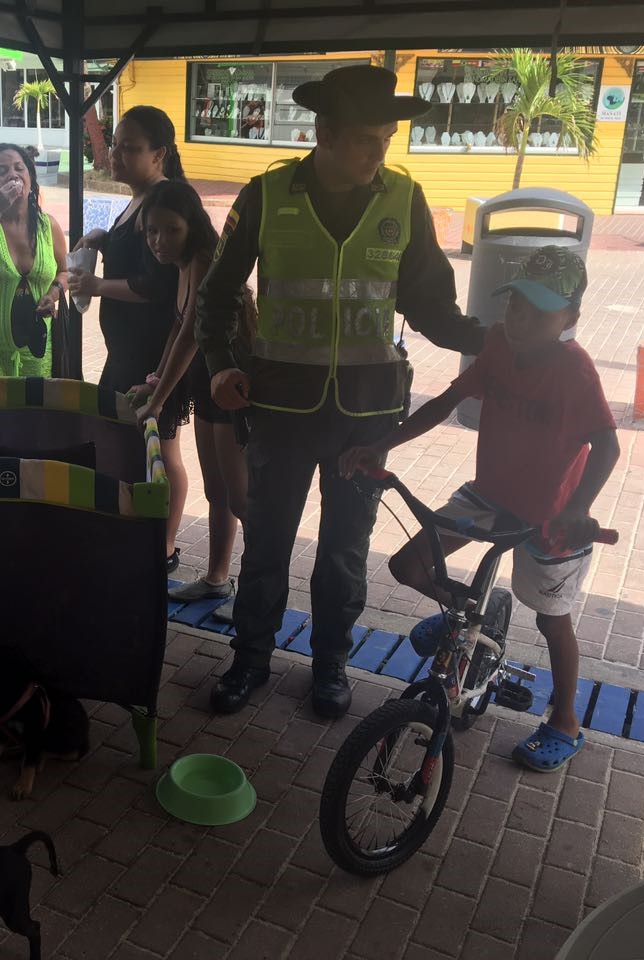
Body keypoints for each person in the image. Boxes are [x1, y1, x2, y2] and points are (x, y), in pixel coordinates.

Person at [195, 64, 486, 719]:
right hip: (280, 409)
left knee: (344, 553)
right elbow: (215, 295)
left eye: (386, 138)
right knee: (267, 543)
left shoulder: (402, 199)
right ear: (324, 132)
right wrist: (218, 364)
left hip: (368, 418)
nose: (379, 153)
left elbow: (429, 303)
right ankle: (250, 660)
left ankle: (330, 666)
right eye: (366, 140)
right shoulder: (266, 195)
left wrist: (490, 340)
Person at [342, 247, 619, 771]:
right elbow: (447, 400)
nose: (521, 321)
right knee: (408, 565)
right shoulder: (496, 345)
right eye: (515, 305)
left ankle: (565, 720)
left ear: (570, 319)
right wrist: (384, 444)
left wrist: (579, 508)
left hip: (549, 519)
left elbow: (606, 444)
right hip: (489, 496)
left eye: (540, 313)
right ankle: (472, 622)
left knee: (552, 620)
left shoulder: (574, 372)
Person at [68, 105, 187, 572]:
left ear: (160, 154)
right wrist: (101, 235)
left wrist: (96, 287)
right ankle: (137, 532)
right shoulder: (137, 199)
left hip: (151, 353)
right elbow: (131, 256)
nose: (116, 154)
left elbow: (157, 286)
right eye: (115, 144)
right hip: (125, 351)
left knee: (161, 447)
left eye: (130, 147)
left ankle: (165, 546)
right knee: (130, 443)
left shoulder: (163, 200)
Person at [130, 180, 251, 620]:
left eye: (170, 230)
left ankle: (259, 592)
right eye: (151, 232)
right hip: (207, 382)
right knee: (217, 490)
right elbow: (177, 328)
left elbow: (192, 335)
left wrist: (158, 400)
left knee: (241, 497)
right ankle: (218, 578)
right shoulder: (183, 263)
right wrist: (158, 379)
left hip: (230, 379)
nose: (159, 241)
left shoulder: (203, 258)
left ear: (192, 226)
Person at [0, 143, 68, 380]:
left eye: (20, 168)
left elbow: (64, 272)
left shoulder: (49, 226)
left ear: (30, 177)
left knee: (31, 416)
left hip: (35, 349)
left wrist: (53, 294)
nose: (13, 174)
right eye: (2, 171)